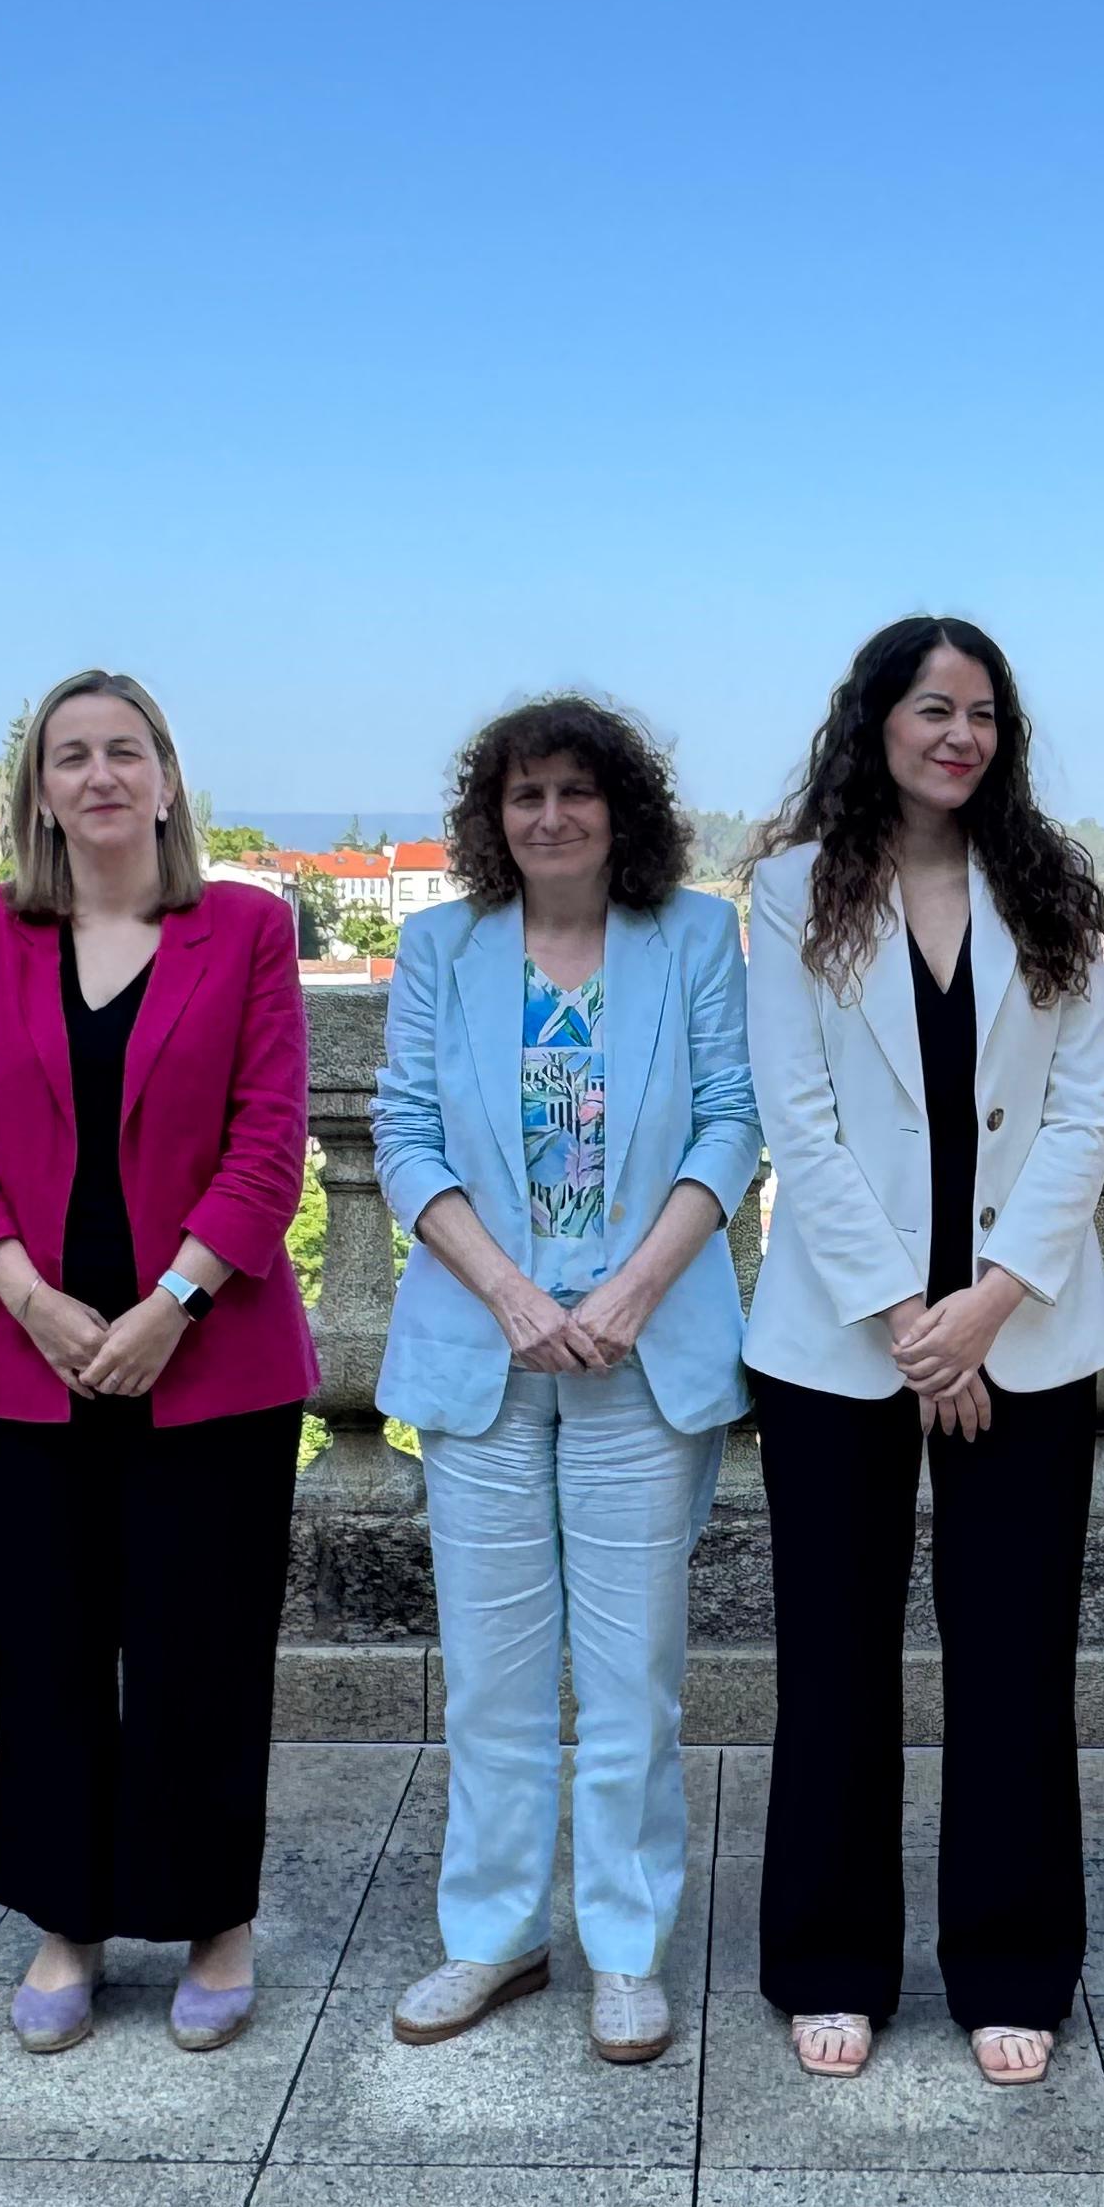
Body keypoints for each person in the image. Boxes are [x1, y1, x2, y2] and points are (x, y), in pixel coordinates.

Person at [742, 618, 1104, 2088]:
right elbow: (802, 1119)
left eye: (981, 713)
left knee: (1016, 1658)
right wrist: (912, 1320)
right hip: (845, 1337)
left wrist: (986, 1306)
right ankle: (830, 1955)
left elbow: (1084, 1115)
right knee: (834, 1656)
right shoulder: (791, 893)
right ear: (875, 723)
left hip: (1023, 1332)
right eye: (930, 708)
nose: (957, 734)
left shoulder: (1056, 890)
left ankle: (1012, 1960)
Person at [0, 669, 313, 2053]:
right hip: (22, 1360)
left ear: (164, 778)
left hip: (208, 1358)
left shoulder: (249, 929)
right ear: (38, 788)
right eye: (70, 756)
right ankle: (65, 1918)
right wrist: (31, 1301)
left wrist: (169, 1307)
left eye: (123, 753)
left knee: (204, 1652)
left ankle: (217, 1919)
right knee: (50, 1653)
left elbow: (271, 1142)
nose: (98, 776)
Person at [372, 695, 756, 2069]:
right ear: (494, 817)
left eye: (576, 793)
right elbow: (405, 1136)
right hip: (488, 1342)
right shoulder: (441, 949)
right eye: (525, 795)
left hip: (639, 1350)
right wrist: (515, 1295)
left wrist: (634, 1290)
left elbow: (733, 1119)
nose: (550, 817)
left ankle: (627, 1945)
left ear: (622, 810)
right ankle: (490, 1932)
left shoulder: (697, 939)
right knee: (491, 1676)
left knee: (633, 1671)